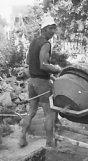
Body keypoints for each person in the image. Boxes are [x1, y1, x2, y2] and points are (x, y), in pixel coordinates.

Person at [19, 15, 62, 148]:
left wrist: (48, 71)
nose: (53, 31)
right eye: (50, 28)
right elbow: (43, 65)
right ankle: (49, 144)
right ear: (43, 29)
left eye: (54, 28)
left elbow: (29, 62)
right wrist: (56, 69)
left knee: (31, 111)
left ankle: (22, 138)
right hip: (42, 83)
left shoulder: (33, 42)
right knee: (49, 113)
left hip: (32, 82)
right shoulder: (45, 43)